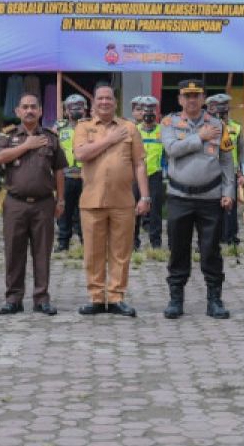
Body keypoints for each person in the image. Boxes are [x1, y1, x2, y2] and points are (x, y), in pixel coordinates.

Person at [73, 83, 151, 317]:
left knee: (121, 252)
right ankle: (96, 297)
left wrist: (145, 196)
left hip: (123, 200)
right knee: (93, 252)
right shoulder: (84, 127)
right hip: (92, 200)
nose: (105, 102)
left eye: (109, 98)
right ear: (93, 103)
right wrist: (109, 139)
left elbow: (139, 163)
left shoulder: (129, 128)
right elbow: (81, 154)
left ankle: (116, 296)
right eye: (100, 99)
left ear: (115, 102)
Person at [161, 79, 236, 319]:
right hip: (179, 197)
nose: (192, 100)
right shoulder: (169, 123)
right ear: (180, 99)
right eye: (187, 96)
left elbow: (226, 161)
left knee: (211, 250)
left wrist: (228, 192)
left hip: (210, 198)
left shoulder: (218, 124)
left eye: (197, 96)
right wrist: (200, 137)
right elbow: (171, 149)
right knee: (178, 250)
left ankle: (214, 300)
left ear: (203, 99)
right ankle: (176, 299)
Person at [0, 93, 67, 315]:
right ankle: (13, 298)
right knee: (14, 252)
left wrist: (61, 199)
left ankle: (41, 298)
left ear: (41, 111)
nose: (29, 111)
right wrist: (27, 145)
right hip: (15, 204)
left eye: (33, 107)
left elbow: (59, 171)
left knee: (42, 252)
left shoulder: (51, 137)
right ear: (17, 111)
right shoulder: (7, 136)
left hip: (44, 204)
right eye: (24, 107)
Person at [206, 93, 244, 248]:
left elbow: (242, 152)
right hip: (211, 172)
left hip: (231, 173)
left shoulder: (236, 127)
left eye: (224, 109)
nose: (221, 112)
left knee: (230, 206)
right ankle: (213, 237)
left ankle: (230, 236)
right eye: (217, 109)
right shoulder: (206, 127)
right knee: (211, 207)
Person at [132, 95, 165, 251]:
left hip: (155, 175)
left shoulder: (162, 130)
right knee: (134, 210)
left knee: (155, 210)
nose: (149, 112)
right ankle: (133, 242)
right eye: (145, 109)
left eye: (152, 109)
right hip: (135, 176)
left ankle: (155, 242)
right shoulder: (134, 130)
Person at [55, 93, 87, 252]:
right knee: (64, 210)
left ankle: (85, 241)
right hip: (66, 176)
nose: (76, 110)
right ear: (66, 111)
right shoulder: (59, 128)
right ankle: (63, 242)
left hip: (85, 175)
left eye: (79, 107)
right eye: (72, 108)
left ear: (84, 109)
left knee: (85, 211)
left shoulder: (90, 127)